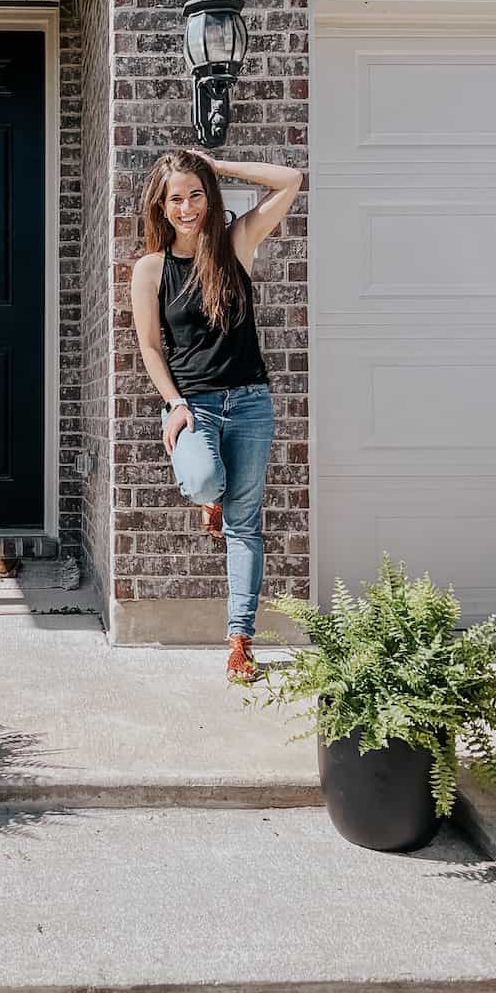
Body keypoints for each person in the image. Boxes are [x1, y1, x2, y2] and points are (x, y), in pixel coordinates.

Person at [130, 148, 304, 680]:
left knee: (245, 528)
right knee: (206, 481)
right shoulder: (150, 269)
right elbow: (151, 348)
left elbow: (291, 180)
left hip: (250, 401)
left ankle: (240, 641)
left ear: (209, 196)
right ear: (160, 207)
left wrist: (218, 166)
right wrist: (174, 404)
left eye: (196, 194)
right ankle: (210, 503)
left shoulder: (235, 244)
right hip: (195, 406)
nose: (187, 208)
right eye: (176, 199)